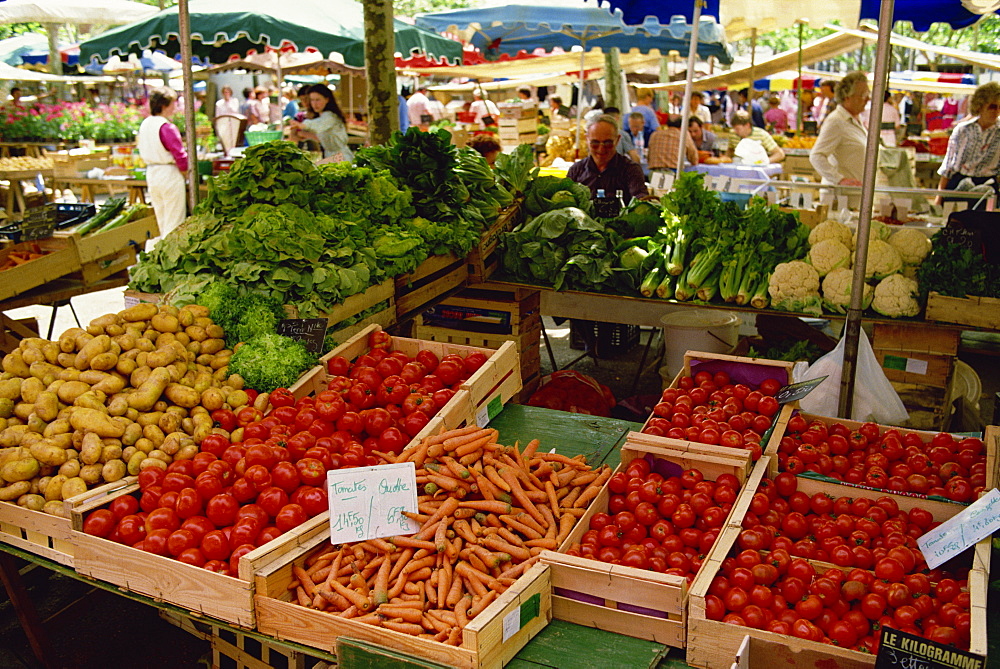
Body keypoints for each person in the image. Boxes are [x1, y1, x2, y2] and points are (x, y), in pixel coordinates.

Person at [935, 81, 1000, 206]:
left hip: (987, 188)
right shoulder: (962, 130)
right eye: (992, 106)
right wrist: (939, 197)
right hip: (959, 185)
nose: (996, 111)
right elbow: (948, 167)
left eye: (999, 107)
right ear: (980, 106)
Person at [137, 87, 188, 238]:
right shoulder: (166, 127)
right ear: (164, 105)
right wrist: (186, 174)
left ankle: (160, 254)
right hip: (168, 174)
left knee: (162, 219)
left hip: (152, 173)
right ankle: (171, 255)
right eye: (174, 103)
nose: (175, 107)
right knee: (174, 220)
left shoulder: (145, 124)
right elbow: (180, 155)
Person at [809, 71, 870, 188]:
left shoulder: (856, 119)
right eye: (863, 94)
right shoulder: (836, 121)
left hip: (857, 194)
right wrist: (839, 179)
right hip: (841, 196)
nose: (867, 99)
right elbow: (816, 156)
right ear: (848, 97)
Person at [567, 114, 648, 199]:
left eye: (608, 143)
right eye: (595, 143)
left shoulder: (631, 170)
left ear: (617, 140)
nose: (601, 149)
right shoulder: (576, 170)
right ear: (586, 140)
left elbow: (640, 199)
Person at [289, 84, 352, 162]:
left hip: (341, 158)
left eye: (318, 100)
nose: (314, 104)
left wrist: (303, 125)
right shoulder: (321, 115)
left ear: (327, 99)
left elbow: (319, 124)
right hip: (331, 156)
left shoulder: (329, 116)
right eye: (312, 100)